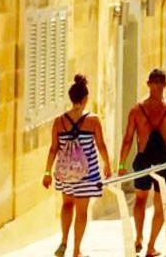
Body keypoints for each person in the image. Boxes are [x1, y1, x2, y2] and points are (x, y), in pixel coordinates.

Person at [119, 69, 166, 257]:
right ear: (165, 85)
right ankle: (151, 246)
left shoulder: (136, 110)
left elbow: (127, 139)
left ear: (148, 83)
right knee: (160, 204)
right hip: (163, 162)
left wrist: (121, 165)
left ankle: (138, 238)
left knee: (140, 199)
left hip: (143, 159)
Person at [43, 75, 111, 257]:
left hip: (66, 174)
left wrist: (47, 172)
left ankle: (64, 241)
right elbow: (101, 145)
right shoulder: (93, 120)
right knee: (81, 212)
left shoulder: (59, 121)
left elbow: (53, 149)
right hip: (87, 175)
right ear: (85, 98)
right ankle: (76, 251)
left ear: (71, 98)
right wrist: (107, 164)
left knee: (67, 205)